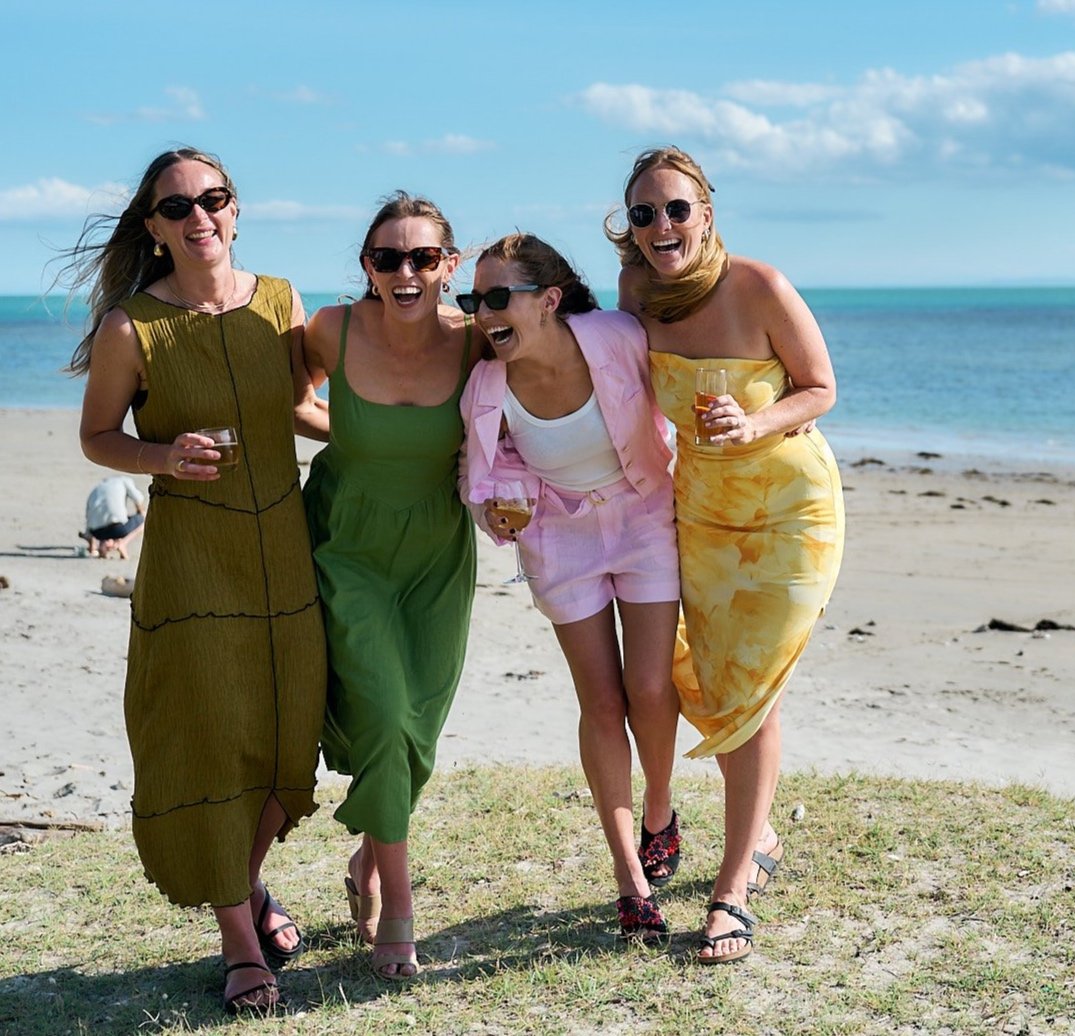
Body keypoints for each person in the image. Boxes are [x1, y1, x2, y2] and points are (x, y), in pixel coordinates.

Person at [63, 147, 328, 1015]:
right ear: (154, 227)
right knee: (210, 737)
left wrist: (404, 440)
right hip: (190, 563)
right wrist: (163, 458)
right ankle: (238, 939)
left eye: (212, 199)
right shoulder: (128, 327)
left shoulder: (283, 303)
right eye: (177, 207)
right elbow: (99, 438)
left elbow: (298, 408)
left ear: (237, 209)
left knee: (282, 736)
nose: (198, 216)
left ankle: (247, 885)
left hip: (285, 552)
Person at [608, 146, 845, 964]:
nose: (661, 225)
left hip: (788, 513)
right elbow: (615, 385)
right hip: (698, 514)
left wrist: (756, 423)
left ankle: (733, 886)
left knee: (752, 687)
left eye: (675, 208)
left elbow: (820, 388)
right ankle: (760, 832)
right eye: (644, 214)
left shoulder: (759, 285)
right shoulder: (636, 294)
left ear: (705, 211)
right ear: (630, 228)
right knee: (703, 677)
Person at [457, 232, 682, 940]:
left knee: (650, 688)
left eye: (499, 297)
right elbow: (488, 469)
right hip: (560, 538)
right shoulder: (486, 383)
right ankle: (629, 878)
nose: (483, 313)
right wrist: (494, 506)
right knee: (602, 699)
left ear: (549, 300)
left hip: (646, 515)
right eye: (473, 301)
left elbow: (680, 385)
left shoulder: (616, 337)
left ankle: (660, 809)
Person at [300, 192, 477, 980]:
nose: (404, 272)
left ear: (451, 265)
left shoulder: (479, 342)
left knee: (416, 731)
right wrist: (354, 431)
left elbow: (555, 389)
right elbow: (290, 396)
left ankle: (370, 857)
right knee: (378, 713)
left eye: (422, 258)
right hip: (348, 544)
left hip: (437, 552)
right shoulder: (330, 329)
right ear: (366, 267)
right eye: (386, 258)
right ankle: (399, 915)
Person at [82, 473, 148, 558]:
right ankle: (122, 543)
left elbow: (88, 516)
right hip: (117, 529)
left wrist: (92, 545)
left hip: (96, 532)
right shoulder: (124, 481)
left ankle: (102, 547)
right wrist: (140, 512)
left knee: (107, 519)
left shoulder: (96, 489)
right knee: (144, 518)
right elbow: (139, 499)